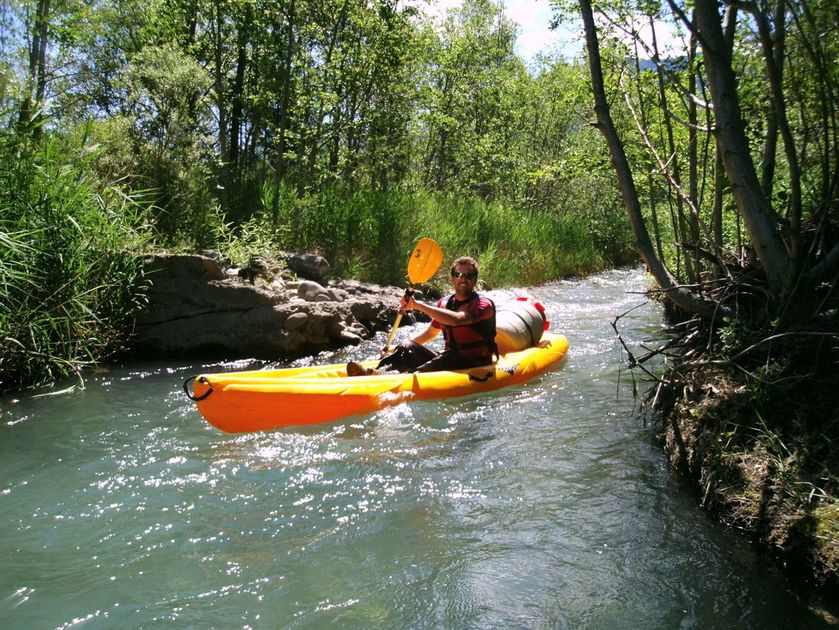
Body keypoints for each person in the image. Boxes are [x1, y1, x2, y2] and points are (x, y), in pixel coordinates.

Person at [347, 256, 497, 375]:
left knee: (451, 356)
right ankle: (376, 372)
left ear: (475, 280)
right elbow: (430, 333)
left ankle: (396, 376)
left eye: (469, 275)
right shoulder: (444, 303)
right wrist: (395, 348)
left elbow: (458, 320)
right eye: (458, 274)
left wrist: (417, 305)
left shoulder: (483, 305)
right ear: (452, 279)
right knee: (407, 346)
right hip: (448, 358)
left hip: (475, 362)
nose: (463, 279)